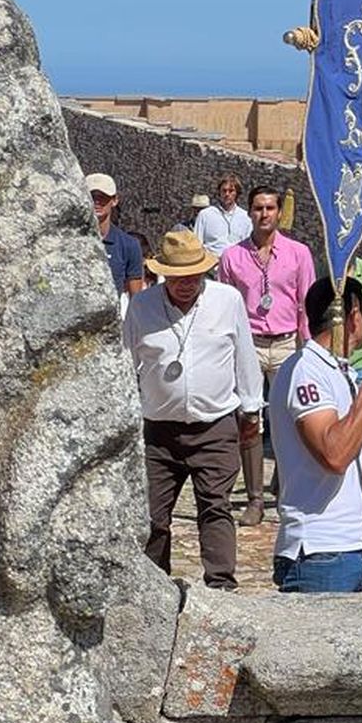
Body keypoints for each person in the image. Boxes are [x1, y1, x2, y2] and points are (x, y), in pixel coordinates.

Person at [122, 230, 260, 590]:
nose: (186, 283)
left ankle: (221, 585)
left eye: (194, 275)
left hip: (214, 426)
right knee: (152, 515)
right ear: (164, 273)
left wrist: (251, 409)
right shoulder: (142, 306)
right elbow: (124, 362)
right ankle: (152, 587)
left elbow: (244, 356)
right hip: (158, 430)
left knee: (215, 506)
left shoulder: (227, 301)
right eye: (178, 277)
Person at [269, 277, 362, 592]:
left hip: (360, 545)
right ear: (353, 314)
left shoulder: (339, 371)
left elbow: (360, 457)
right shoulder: (306, 369)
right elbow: (334, 455)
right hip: (320, 551)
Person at [217, 186, 317, 526]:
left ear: (278, 212)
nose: (264, 214)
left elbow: (307, 301)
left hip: (287, 341)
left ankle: (286, 485)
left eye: (270, 208)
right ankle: (255, 499)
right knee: (249, 418)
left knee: (290, 418)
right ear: (249, 213)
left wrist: (310, 348)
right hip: (249, 343)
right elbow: (227, 305)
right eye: (258, 208)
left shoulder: (298, 253)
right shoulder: (232, 257)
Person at [87, 172, 144, 306]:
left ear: (114, 200)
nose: (97, 202)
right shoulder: (68, 240)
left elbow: (136, 298)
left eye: (103, 197)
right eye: (92, 196)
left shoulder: (129, 245)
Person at [193, 172, 252, 258]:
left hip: (236, 265)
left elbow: (248, 247)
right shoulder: (205, 215)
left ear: (237, 193)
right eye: (224, 191)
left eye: (231, 191)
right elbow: (197, 244)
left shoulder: (246, 218)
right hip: (212, 266)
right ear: (219, 192)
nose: (227, 194)